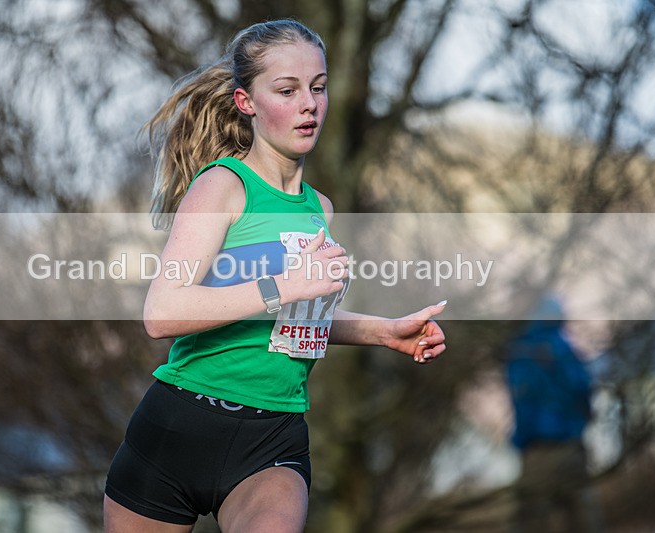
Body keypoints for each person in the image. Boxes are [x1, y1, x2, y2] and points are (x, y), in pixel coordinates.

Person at [104, 19, 447, 533]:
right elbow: (162, 312)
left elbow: (292, 320)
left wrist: (384, 332)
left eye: (318, 87)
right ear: (246, 102)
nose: (309, 104)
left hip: (273, 439)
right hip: (179, 427)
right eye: (287, 90)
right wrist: (283, 285)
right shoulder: (223, 186)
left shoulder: (320, 210)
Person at [505, 296, 603, 533]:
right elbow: (582, 389)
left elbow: (521, 402)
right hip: (569, 445)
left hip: (535, 450)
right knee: (582, 516)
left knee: (531, 518)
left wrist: (522, 439)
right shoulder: (563, 349)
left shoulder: (519, 351)